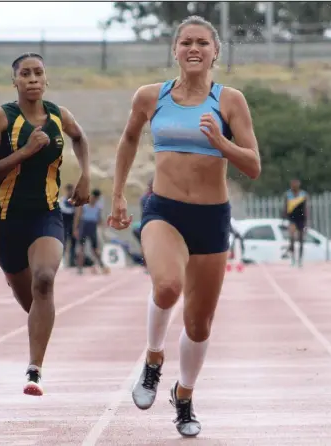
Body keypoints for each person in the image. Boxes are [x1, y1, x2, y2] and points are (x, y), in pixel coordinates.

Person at [107, 16, 260, 438]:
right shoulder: (150, 97)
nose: (195, 49)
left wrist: (222, 143)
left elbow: (253, 165)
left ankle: (185, 396)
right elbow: (128, 140)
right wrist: (119, 194)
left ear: (215, 52)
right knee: (167, 286)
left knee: (199, 324)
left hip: (211, 218)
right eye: (187, 42)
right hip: (165, 211)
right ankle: (153, 360)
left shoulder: (230, 101)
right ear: (174, 50)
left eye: (203, 43)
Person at [0, 52, 91, 396]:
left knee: (44, 281)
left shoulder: (58, 115)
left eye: (38, 72)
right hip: (6, 221)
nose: (32, 78)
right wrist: (24, 152)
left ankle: (34, 371)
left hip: (46, 215)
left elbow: (80, 137)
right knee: (31, 302)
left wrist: (85, 175)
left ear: (46, 78)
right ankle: (35, 314)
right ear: (15, 81)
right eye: (25, 73)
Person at [73, 189, 110, 275]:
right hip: (84, 226)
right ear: (91, 196)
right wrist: (75, 229)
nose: (95, 200)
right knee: (81, 248)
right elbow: (77, 217)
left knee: (95, 249)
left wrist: (104, 226)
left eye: (96, 199)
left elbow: (99, 218)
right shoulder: (84, 204)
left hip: (92, 227)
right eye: (94, 198)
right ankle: (79, 268)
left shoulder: (98, 206)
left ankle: (101, 265)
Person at [282, 178, 308, 267]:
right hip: (292, 218)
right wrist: (283, 219)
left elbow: (306, 208)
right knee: (292, 238)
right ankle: (293, 259)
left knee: (301, 239)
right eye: (293, 184)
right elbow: (285, 207)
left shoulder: (303, 194)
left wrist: (307, 221)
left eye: (296, 184)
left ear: (299, 185)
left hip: (301, 218)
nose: (294, 186)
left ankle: (300, 260)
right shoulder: (288, 194)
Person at [59, 184, 78, 267]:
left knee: (73, 244)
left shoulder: (75, 202)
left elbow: (77, 215)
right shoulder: (61, 201)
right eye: (69, 190)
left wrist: (76, 228)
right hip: (64, 225)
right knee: (63, 243)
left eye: (72, 191)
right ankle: (61, 261)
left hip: (72, 225)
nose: (71, 192)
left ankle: (72, 261)